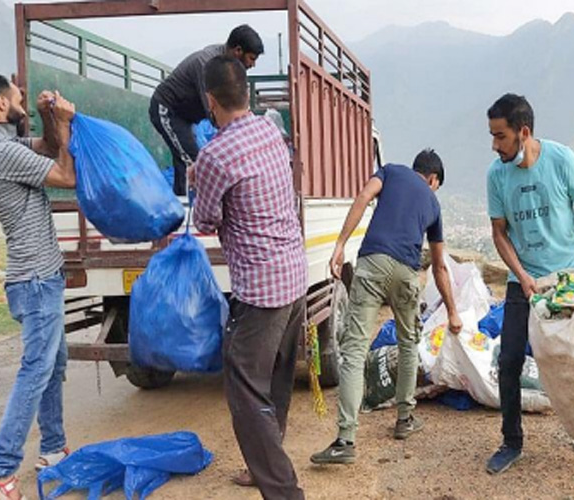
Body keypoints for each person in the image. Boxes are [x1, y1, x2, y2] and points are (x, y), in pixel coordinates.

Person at [191, 56, 306, 500]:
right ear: (247, 92)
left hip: (261, 290)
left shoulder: (215, 154)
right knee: (275, 382)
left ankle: (283, 491)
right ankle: (266, 470)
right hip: (293, 279)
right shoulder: (270, 131)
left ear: (210, 101)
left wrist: (197, 180)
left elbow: (204, 219)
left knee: (243, 389)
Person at [310, 150, 463, 465]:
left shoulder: (391, 171)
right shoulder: (433, 204)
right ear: (433, 180)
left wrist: (340, 244)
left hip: (372, 262)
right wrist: (452, 311)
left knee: (353, 350)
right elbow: (439, 266)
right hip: (407, 272)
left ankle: (345, 439)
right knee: (408, 343)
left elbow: (364, 196)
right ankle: (405, 419)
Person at [485, 93, 574, 474]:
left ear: (524, 132)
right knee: (510, 359)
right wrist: (522, 275)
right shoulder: (496, 175)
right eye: (492, 136)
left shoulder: (561, 159)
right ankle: (511, 441)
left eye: (500, 136)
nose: (494, 145)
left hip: (566, 277)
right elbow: (499, 233)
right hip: (526, 279)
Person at [0, 74, 76, 500]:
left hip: (39, 276)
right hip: (34, 280)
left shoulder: (3, 145)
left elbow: (48, 148)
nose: (21, 99)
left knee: (53, 364)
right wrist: (67, 124)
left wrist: (45, 116)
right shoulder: (1, 152)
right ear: (1, 104)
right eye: (18, 98)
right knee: (36, 369)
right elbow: (65, 174)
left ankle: (53, 448)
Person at [150, 24, 263, 196]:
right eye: (251, 58)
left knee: (186, 158)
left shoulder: (230, 66)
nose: (253, 65)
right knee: (194, 162)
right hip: (168, 109)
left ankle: (181, 202)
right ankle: (192, 209)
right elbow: (216, 112)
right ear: (238, 50)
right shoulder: (207, 65)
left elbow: (235, 106)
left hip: (186, 117)